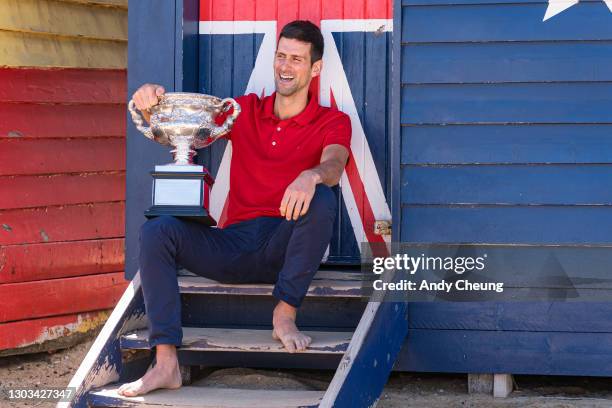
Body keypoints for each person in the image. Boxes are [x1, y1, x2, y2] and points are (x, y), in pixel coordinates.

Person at [118, 20, 351, 397]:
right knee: (156, 230)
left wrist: (311, 175)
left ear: (315, 68)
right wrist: (152, 105)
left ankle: (284, 314)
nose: (285, 67)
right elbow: (186, 132)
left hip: (284, 245)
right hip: (232, 243)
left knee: (323, 196)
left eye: (296, 59)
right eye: (280, 56)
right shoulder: (243, 111)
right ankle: (165, 362)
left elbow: (335, 164)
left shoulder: (332, 121)